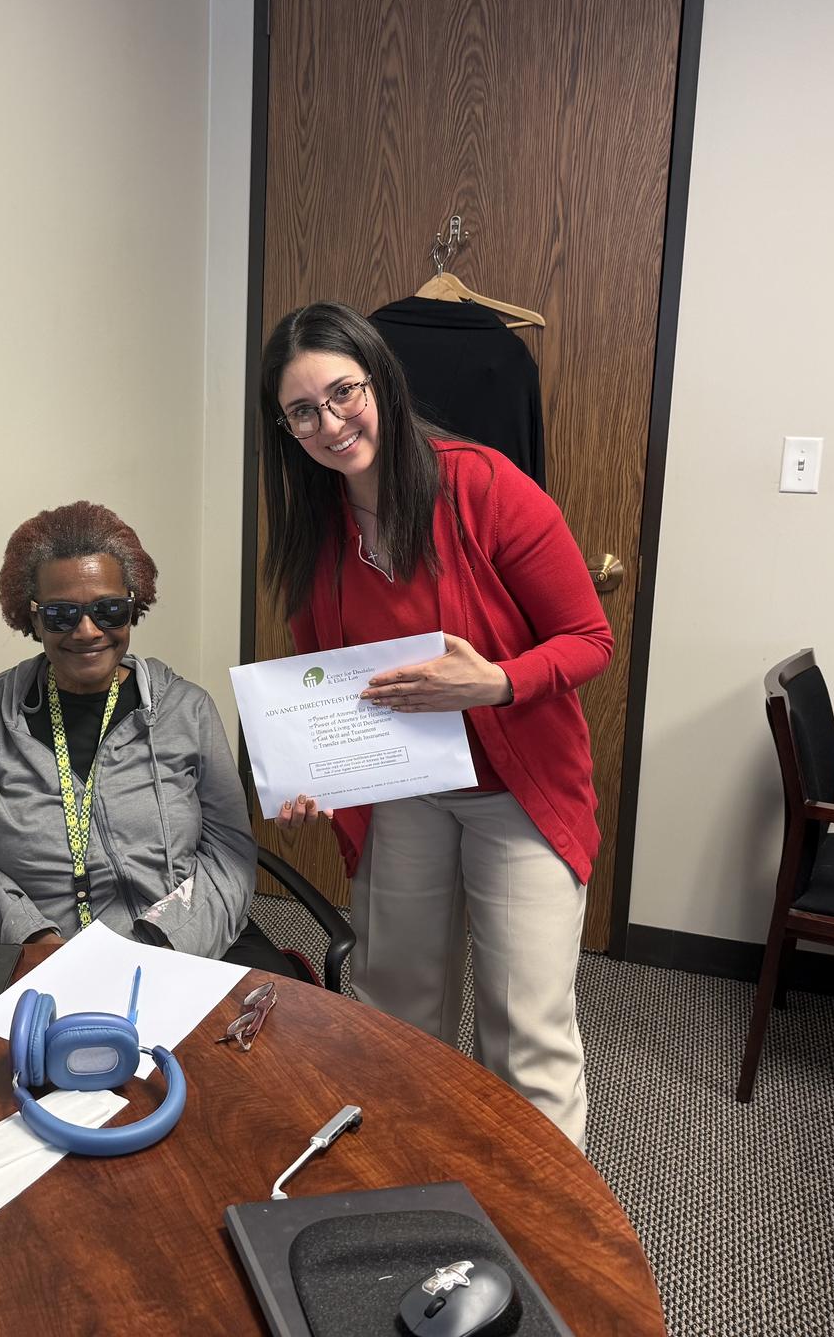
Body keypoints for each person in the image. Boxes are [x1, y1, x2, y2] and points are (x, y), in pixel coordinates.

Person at [260, 301, 613, 1148]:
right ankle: (403, 1191)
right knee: (396, 1014)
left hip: (515, 792)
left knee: (526, 1034)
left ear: (379, 378)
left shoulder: (481, 485)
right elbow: (324, 680)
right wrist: (310, 772)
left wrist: (496, 682)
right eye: (302, 411)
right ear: (285, 427)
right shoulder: (317, 524)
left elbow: (589, 640)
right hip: (405, 790)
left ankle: (543, 1235)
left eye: (343, 393)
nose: (330, 423)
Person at [0, 501, 298, 976]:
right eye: (61, 614)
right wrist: (33, 939)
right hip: (43, 954)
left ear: (132, 606)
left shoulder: (188, 710)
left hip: (180, 941)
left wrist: (169, 945)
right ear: (32, 617)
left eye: (108, 610)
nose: (87, 631)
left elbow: (229, 851)